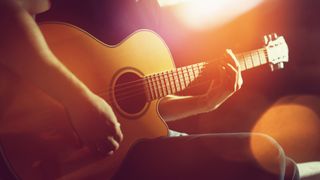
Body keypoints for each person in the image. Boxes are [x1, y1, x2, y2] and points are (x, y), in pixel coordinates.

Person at [0, 0, 299, 179]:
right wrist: (77, 100)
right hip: (41, 140)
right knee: (268, 158)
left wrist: (204, 103)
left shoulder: (152, 12)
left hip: (114, 155)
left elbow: (138, 109)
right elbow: (7, 14)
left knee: (285, 166)